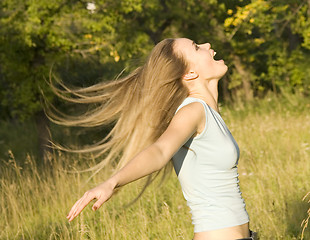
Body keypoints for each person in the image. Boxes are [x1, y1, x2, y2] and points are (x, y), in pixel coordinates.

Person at [64, 38, 258, 240]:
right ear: (190, 73)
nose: (208, 46)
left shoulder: (208, 112)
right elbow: (160, 151)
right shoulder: (193, 111)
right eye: (196, 47)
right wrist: (112, 182)